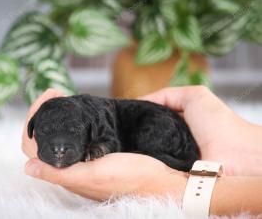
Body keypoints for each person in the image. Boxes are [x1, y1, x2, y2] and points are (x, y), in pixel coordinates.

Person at [22, 86, 262, 216]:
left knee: (147, 130)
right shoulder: (82, 115)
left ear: (89, 129)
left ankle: (169, 161)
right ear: (33, 129)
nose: (59, 146)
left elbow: (109, 142)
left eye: (73, 132)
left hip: (158, 126)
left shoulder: (97, 120)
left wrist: (166, 183)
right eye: (46, 132)